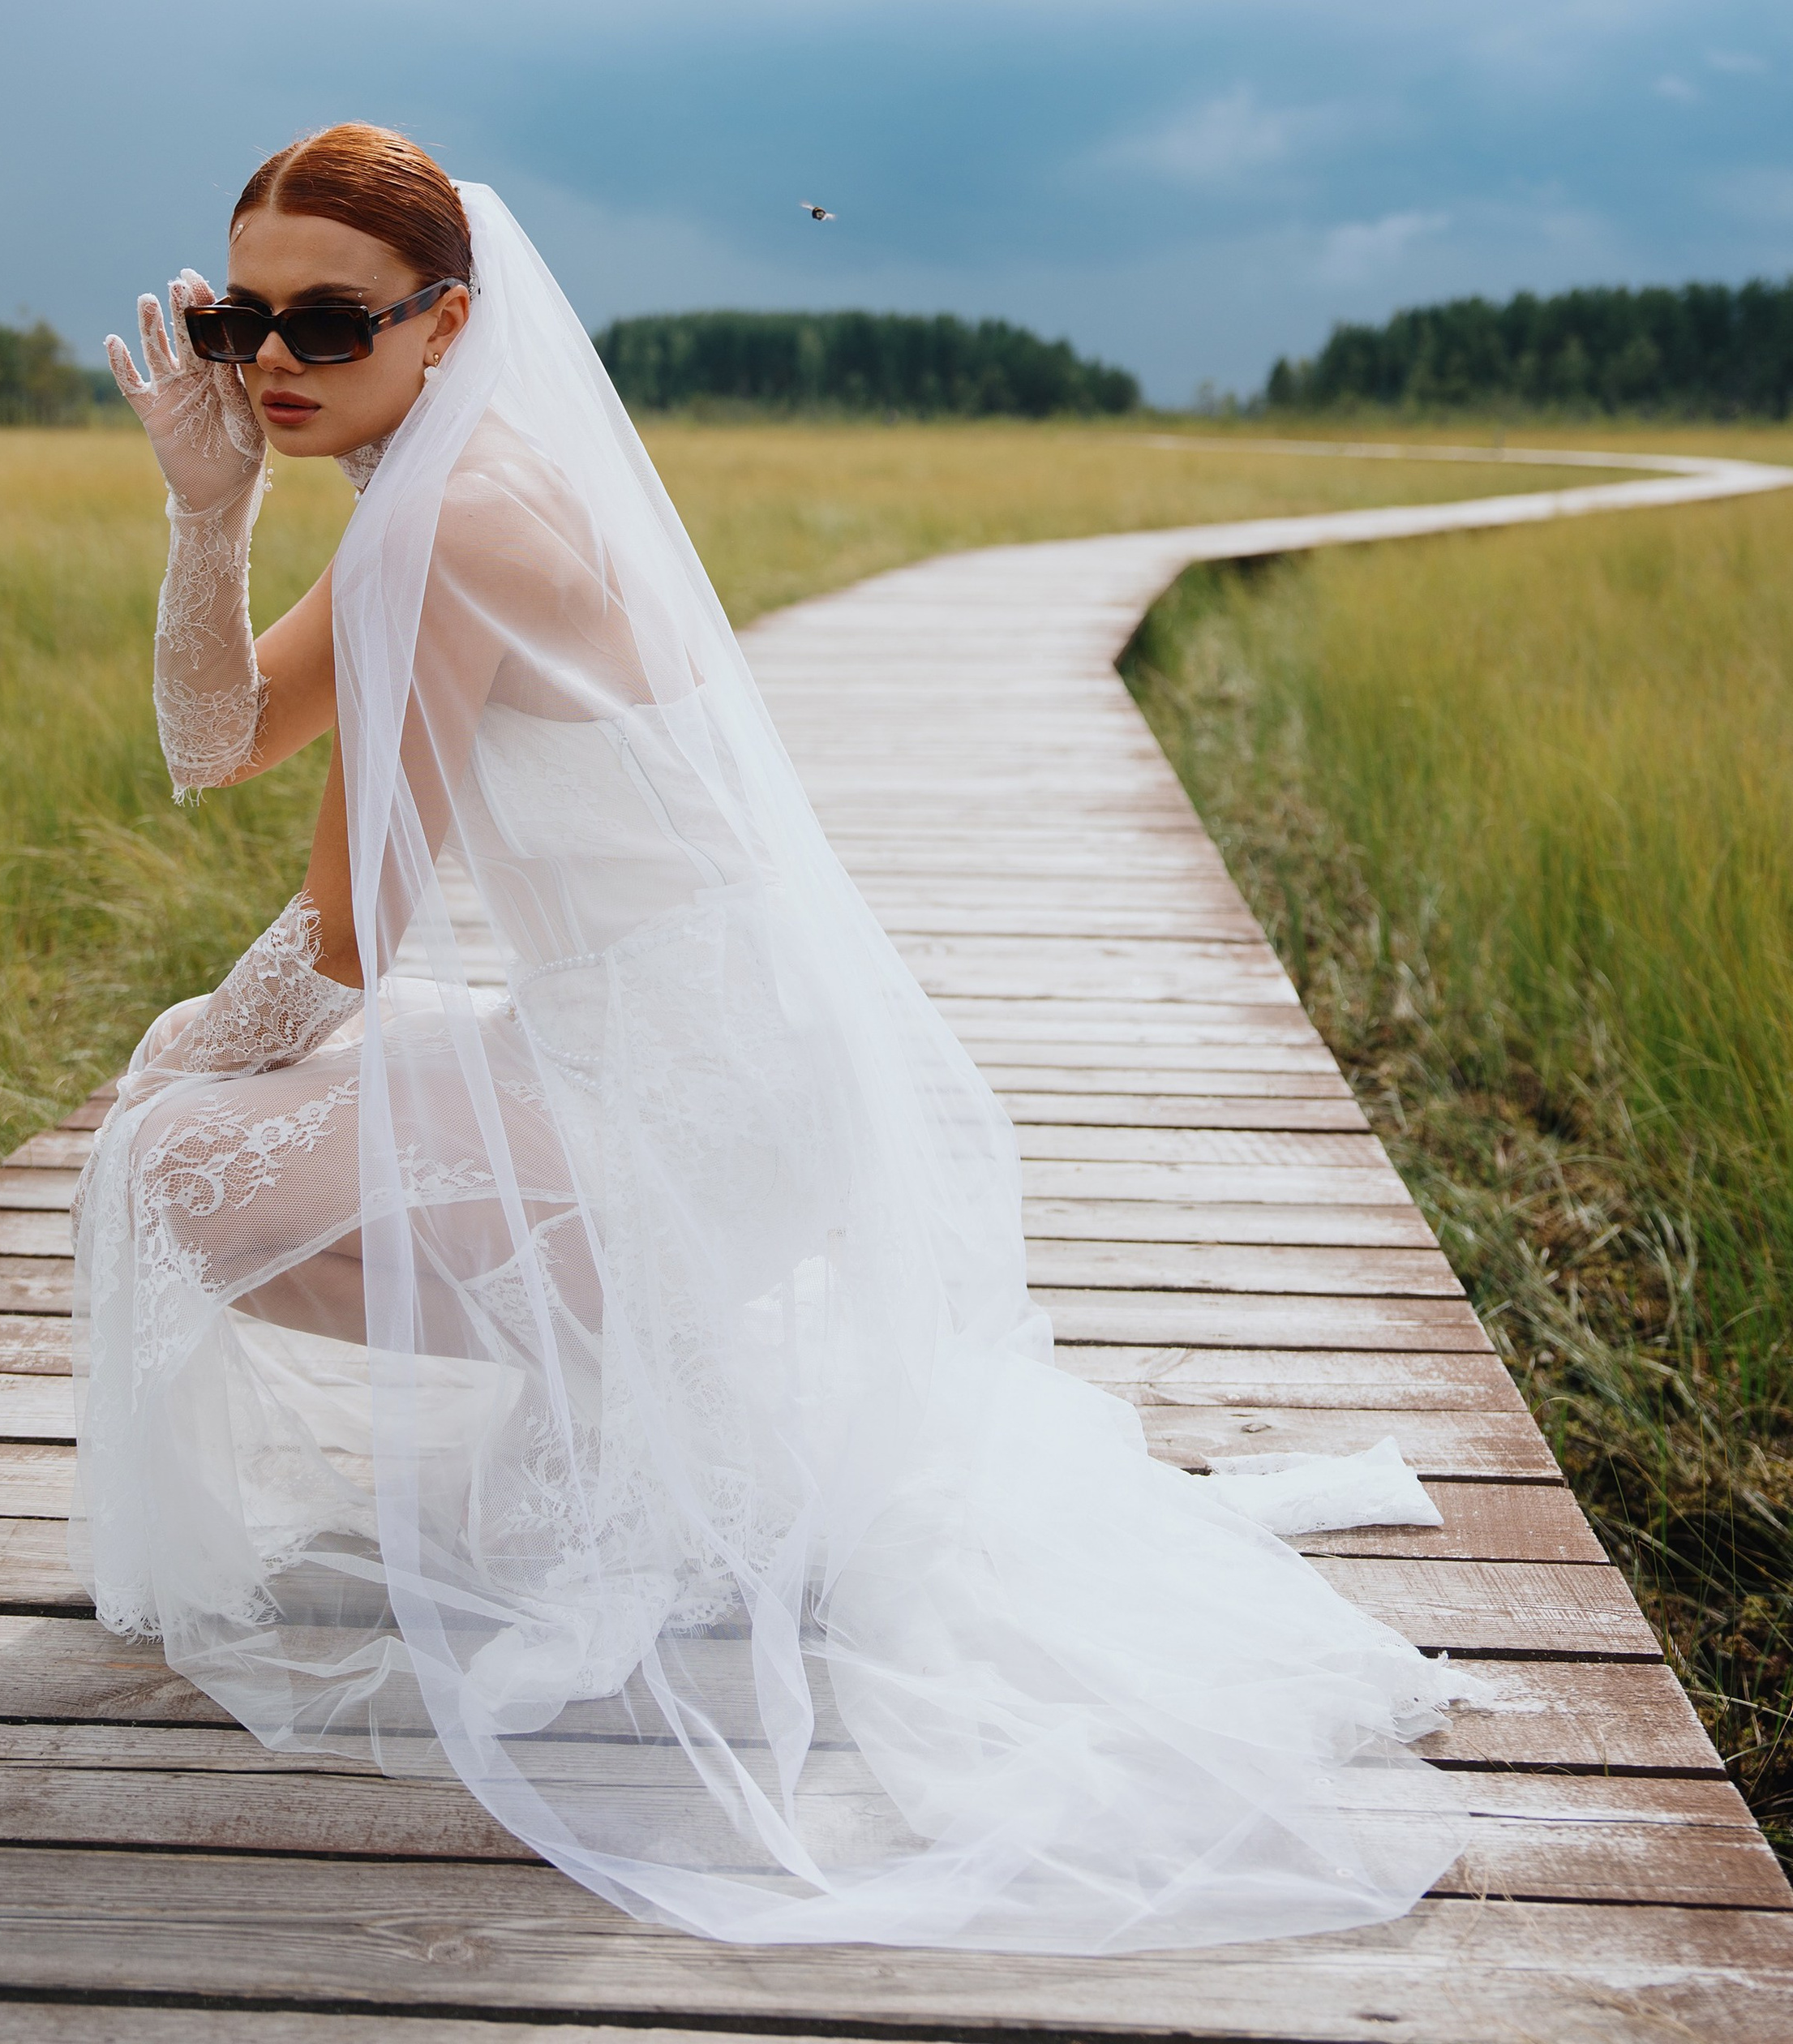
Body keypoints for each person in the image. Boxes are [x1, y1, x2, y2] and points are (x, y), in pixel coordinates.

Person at [71, 120, 1469, 1952]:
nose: (267, 364)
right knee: (238, 1123)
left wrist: (174, 1064)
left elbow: (351, 933)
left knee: (177, 1166)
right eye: (235, 317)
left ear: (444, 320)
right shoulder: (435, 487)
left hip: (698, 1096)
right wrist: (205, 509)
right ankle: (634, 1406)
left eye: (328, 326)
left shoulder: (463, 520)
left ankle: (631, 1397)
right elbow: (214, 738)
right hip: (676, 1052)